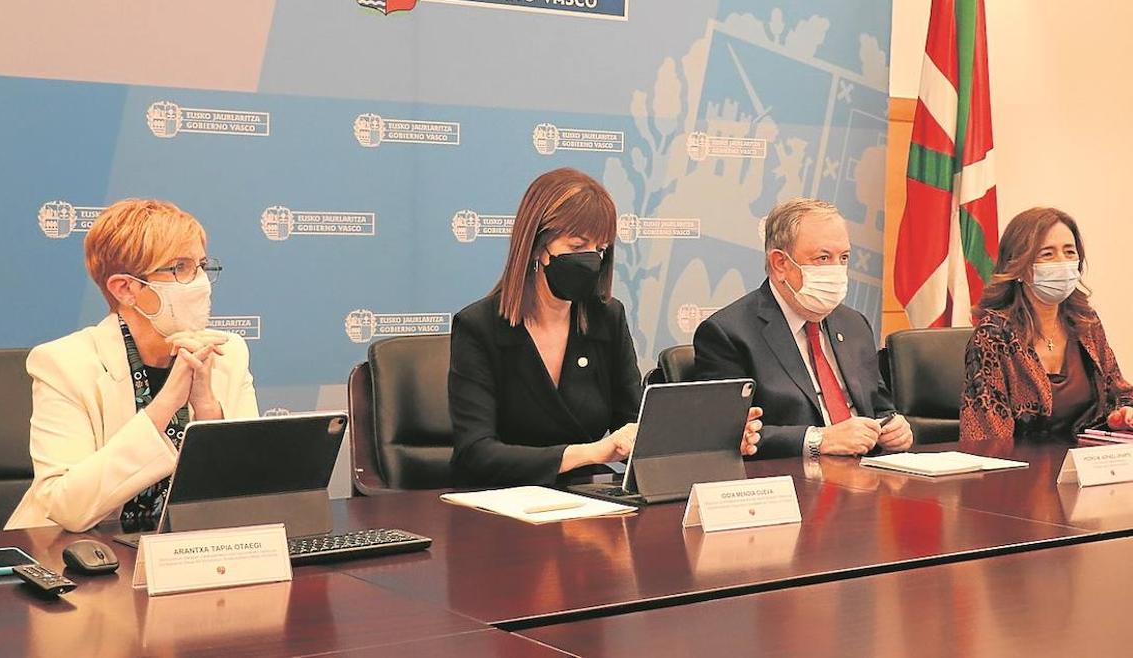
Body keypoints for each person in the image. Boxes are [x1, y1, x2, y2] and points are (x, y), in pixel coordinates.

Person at [449, 168, 763, 486]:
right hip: (499, 505)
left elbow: (635, 427)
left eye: (599, 249)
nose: (591, 260)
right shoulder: (479, 327)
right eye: (576, 247)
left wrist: (714, 441)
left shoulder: (607, 318)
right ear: (535, 246)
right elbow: (476, 454)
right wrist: (594, 452)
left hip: (586, 503)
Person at [6, 198, 258, 531]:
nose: (199, 282)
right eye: (180, 268)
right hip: (79, 556)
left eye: (200, 266)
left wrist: (208, 409)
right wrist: (165, 405)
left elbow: (252, 493)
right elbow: (67, 508)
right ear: (126, 288)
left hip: (190, 554)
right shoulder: (64, 363)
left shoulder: (228, 353)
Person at [693, 198, 911, 459]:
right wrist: (818, 440)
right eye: (823, 258)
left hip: (866, 475)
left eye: (843, 258)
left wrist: (895, 428)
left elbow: (880, 409)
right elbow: (727, 435)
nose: (837, 271)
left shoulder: (854, 324)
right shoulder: (727, 333)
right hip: (792, 482)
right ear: (780, 264)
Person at [960, 207, 1133, 440]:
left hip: (1085, 468)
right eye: (1047, 254)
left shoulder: (1086, 323)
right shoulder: (994, 335)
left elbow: (1119, 394)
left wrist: (1122, 415)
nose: (1062, 263)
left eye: (1069, 252)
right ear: (1018, 266)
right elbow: (986, 438)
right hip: (1020, 471)